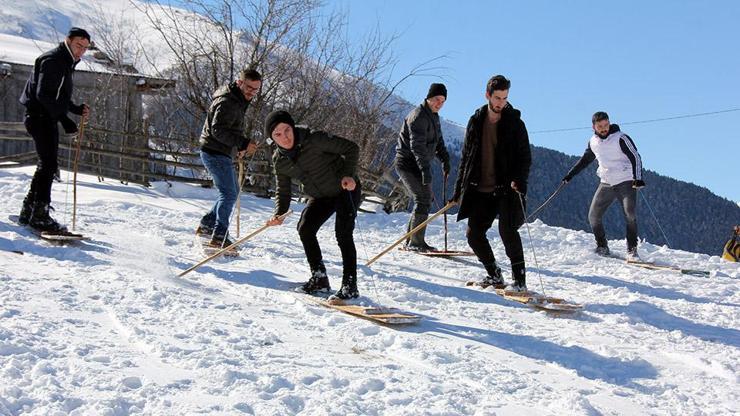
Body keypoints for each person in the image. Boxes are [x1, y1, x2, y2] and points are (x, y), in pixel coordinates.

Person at [264, 110, 362, 301]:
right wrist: (279, 214)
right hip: (321, 196)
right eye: (277, 134)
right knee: (305, 228)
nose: (284, 137)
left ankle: (350, 286)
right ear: (272, 138)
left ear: (292, 127)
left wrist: (349, 175)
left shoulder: (315, 139)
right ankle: (319, 279)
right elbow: (283, 191)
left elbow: (351, 148)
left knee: (343, 234)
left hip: (345, 188)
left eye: (286, 130)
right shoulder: (280, 161)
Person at [451, 75, 531, 292]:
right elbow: (466, 158)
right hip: (480, 188)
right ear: (488, 95)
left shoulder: (515, 122)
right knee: (473, 234)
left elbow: (525, 157)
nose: (501, 103)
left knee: (508, 232)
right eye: (497, 98)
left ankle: (520, 281)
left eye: (504, 98)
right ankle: (494, 273)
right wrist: (458, 190)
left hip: (507, 187)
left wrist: (519, 181)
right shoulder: (476, 121)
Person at [18, 27, 92, 233]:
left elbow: (57, 94)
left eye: (85, 48)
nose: (81, 51)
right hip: (39, 117)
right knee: (49, 165)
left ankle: (30, 210)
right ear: (68, 40)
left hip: (44, 117)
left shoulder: (65, 61)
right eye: (79, 45)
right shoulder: (54, 61)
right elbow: (44, 95)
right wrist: (65, 119)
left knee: (46, 164)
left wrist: (74, 109)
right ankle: (39, 216)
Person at [562, 111, 645, 261]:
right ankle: (602, 246)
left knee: (630, 214)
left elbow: (635, 157)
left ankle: (632, 251)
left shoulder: (621, 138)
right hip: (606, 182)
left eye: (606, 125)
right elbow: (585, 160)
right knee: (593, 216)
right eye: (600, 126)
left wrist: (637, 178)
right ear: (593, 127)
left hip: (626, 180)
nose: (604, 128)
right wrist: (570, 175)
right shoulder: (593, 142)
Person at [196, 68, 261, 248]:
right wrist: (243, 143)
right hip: (213, 151)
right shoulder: (228, 102)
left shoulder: (238, 99)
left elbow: (231, 128)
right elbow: (218, 130)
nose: (252, 92)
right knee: (229, 193)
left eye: (256, 89)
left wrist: (239, 146)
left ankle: (207, 224)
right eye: (249, 87)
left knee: (232, 190)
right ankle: (219, 236)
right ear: (240, 82)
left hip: (219, 151)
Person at [394, 83, 451, 252]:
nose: (439, 103)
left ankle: (413, 240)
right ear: (428, 98)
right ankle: (415, 242)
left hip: (419, 164)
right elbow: (417, 147)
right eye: (436, 99)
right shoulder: (418, 116)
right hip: (407, 163)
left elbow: (438, 142)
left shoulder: (434, 116)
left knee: (425, 198)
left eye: (442, 101)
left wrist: (445, 159)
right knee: (422, 198)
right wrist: (425, 170)